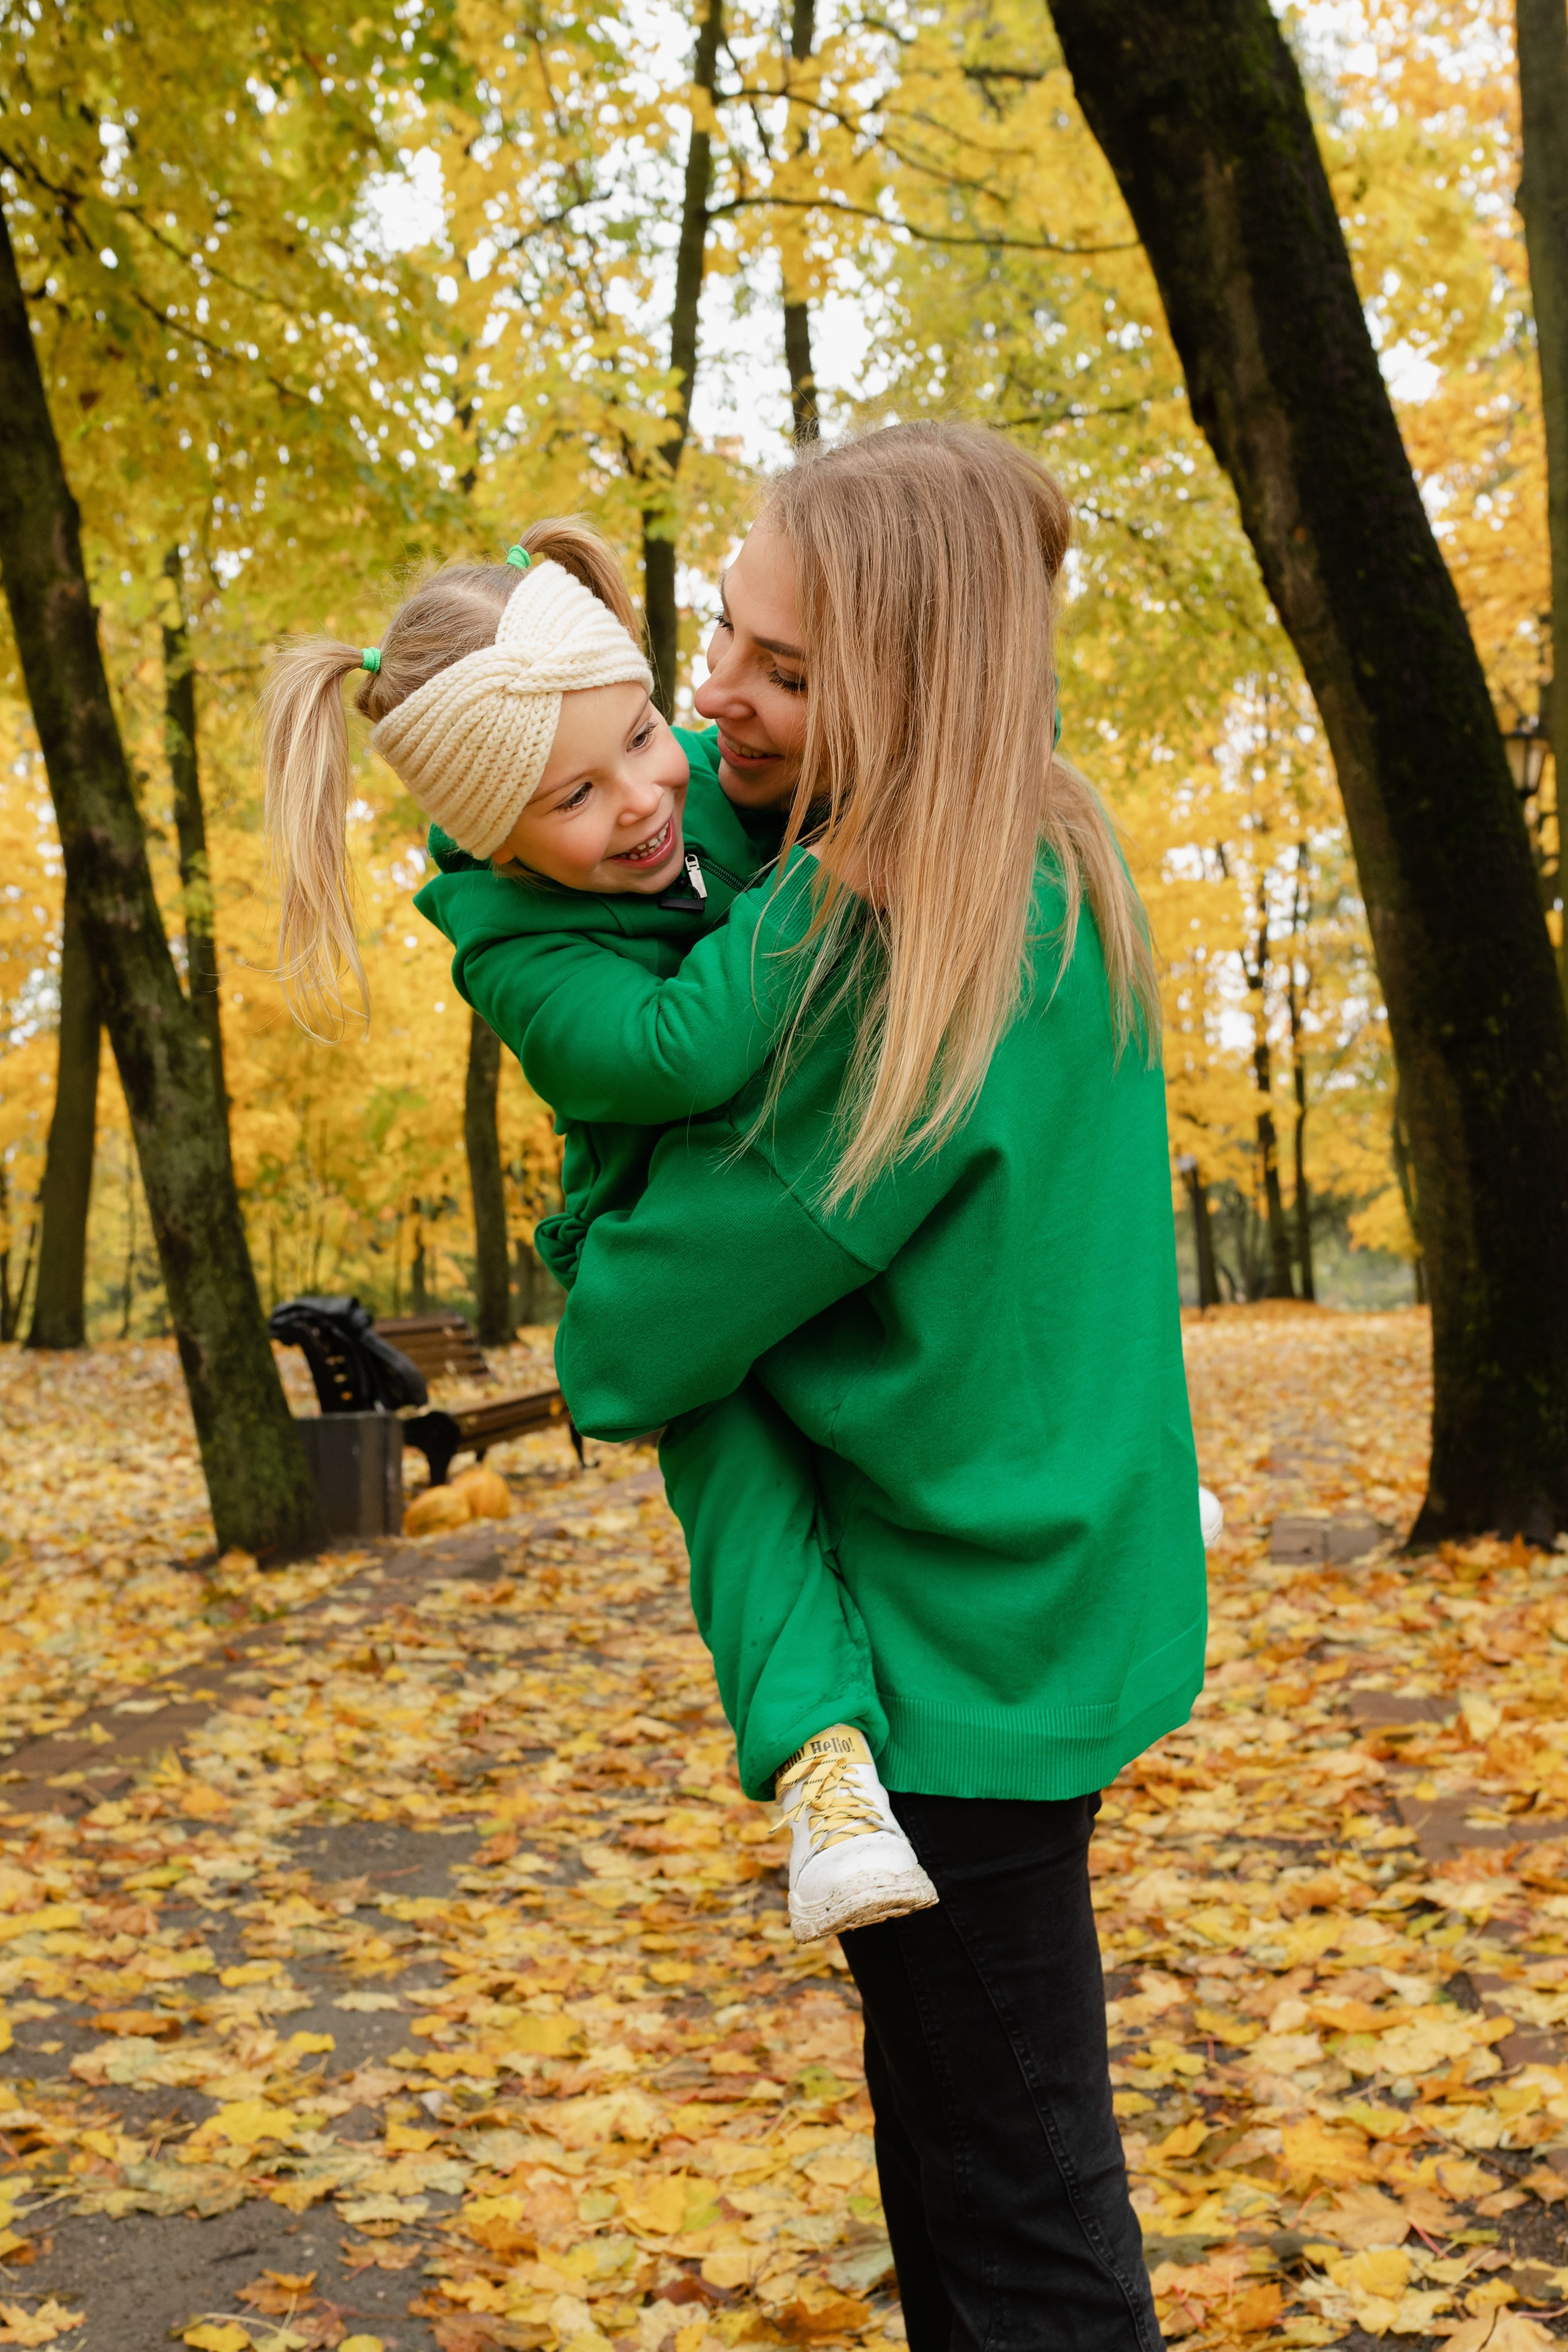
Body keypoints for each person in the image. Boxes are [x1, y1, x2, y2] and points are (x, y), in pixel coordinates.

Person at [553, 421, 1206, 2349]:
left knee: (1021, 2244)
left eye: (783, 668)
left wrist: (598, 1230)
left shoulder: (887, 958)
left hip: (944, 1672)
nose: (714, 691)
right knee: (968, 2176)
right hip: (1034, 1605)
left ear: (909, 688)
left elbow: (630, 1339)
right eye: (722, 632)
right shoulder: (1050, 851)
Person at [258, 519, 938, 1944]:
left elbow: (864, 774)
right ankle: (825, 1780)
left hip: (798, 1181)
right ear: (499, 835)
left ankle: (1077, 1481)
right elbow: (678, 1053)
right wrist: (821, 880)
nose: (642, 797)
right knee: (744, 1490)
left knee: (945, 1229)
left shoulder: (689, 793)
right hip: (662, 1238)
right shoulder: (512, 950)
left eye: (640, 736)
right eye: (576, 795)